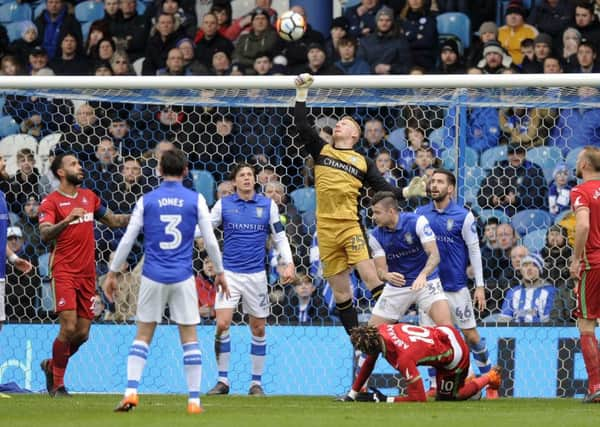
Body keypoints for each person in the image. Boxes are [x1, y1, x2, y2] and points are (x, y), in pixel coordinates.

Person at [293, 73, 425, 337]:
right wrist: (301, 94)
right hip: (326, 231)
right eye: (338, 123)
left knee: (372, 278)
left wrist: (407, 191)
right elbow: (302, 126)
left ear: (355, 134)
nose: (338, 126)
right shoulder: (322, 151)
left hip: (350, 226)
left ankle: (396, 333)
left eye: (344, 123)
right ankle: (358, 340)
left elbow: (383, 188)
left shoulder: (362, 161)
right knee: (342, 292)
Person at [103, 149, 228, 413]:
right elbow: (211, 240)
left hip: (152, 275)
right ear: (185, 171)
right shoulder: (195, 200)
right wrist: (220, 272)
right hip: (183, 277)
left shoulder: (146, 200)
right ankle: (194, 400)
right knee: (189, 337)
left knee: (143, 334)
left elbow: (127, 239)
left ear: (158, 171)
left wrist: (113, 272)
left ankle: (131, 391)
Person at [38, 153, 130, 397]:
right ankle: (58, 385)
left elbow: (112, 220)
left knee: (82, 334)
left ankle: (52, 365)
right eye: (73, 164)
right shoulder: (51, 202)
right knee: (67, 328)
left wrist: (141, 216)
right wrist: (67, 220)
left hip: (87, 274)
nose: (79, 168)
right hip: (64, 271)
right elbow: (45, 234)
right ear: (60, 172)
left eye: (79, 164)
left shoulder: (89, 197)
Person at [206, 163, 294, 396]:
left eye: (249, 175)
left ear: (255, 180)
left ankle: (256, 383)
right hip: (229, 275)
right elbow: (205, 228)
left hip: (256, 276)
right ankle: (222, 380)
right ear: (234, 182)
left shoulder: (268, 205)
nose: (246, 178)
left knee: (258, 328)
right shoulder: (224, 205)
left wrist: (289, 262)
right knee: (222, 324)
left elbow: (280, 236)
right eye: (241, 175)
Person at [417, 169, 494, 397]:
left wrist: (479, 286)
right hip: (430, 287)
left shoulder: (464, 216)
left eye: (439, 182)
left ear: (450, 189)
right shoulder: (420, 215)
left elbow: (474, 251)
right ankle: (433, 385)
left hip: (456, 287)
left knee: (471, 335)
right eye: (432, 181)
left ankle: (490, 380)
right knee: (431, 339)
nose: (434, 185)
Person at [341, 323, 502, 402]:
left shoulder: (404, 358)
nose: (366, 355)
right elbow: (370, 362)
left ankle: (490, 377)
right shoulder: (380, 331)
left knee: (449, 398)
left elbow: (419, 400)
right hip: (442, 331)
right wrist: (352, 394)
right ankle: (463, 381)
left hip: (454, 353)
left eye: (365, 350)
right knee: (442, 391)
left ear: (372, 347)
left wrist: (384, 399)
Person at [367, 191, 451, 329]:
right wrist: (387, 276)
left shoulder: (417, 222)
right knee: (369, 336)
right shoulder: (375, 236)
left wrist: (423, 275)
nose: (373, 217)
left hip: (426, 282)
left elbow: (435, 255)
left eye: (377, 212)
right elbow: (380, 272)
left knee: (446, 328)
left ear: (391, 211)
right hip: (397, 287)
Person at [569, 145, 600, 403]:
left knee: (586, 323)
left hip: (594, 263)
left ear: (585, 165)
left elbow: (583, 225)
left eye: (579, 160)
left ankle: (597, 386)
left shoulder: (581, 191)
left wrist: (576, 258)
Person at [0, 176, 33, 331]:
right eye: (0, 159)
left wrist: (13, 258)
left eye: (16, 238)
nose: (13, 242)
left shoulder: (2, 195)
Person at [497, 254, 557, 323]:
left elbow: (551, 321)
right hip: (516, 332)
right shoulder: (513, 292)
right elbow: (504, 320)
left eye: (534, 265)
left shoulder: (551, 291)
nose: (529, 268)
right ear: (521, 270)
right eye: (525, 265)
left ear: (540, 270)